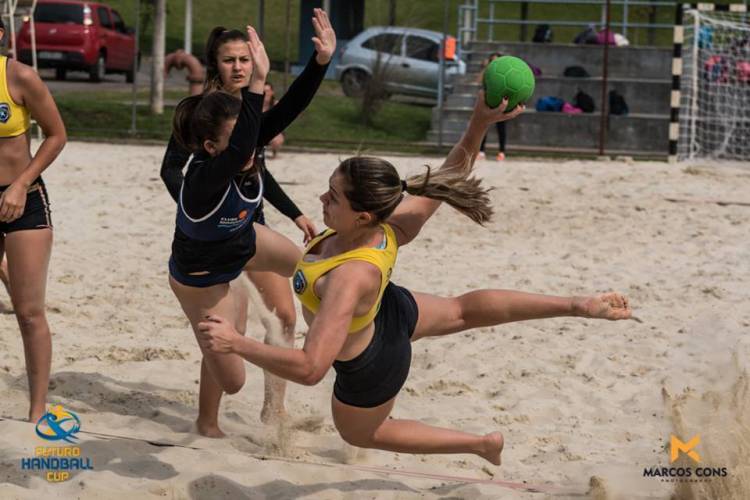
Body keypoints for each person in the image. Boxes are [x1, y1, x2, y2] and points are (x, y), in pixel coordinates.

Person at [195, 93, 633, 464]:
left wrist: (238, 343)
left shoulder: (346, 280)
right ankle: (575, 305)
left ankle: (480, 444)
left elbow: (311, 369)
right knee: (461, 311)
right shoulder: (388, 226)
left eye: (333, 196)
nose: (322, 198)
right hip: (392, 309)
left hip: (370, 365)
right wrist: (479, 121)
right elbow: (449, 176)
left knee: (363, 434)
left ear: (362, 214)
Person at [165, 11, 336, 437]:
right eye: (230, 60)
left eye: (246, 59)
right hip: (204, 249)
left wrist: (320, 62)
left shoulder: (247, 124)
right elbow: (177, 170)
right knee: (230, 345)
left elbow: (275, 127)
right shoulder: (206, 121)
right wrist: (196, 208)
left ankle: (275, 409)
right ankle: (208, 420)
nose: (240, 66)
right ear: (215, 65)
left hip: (244, 228)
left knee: (297, 294)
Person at [0, 18, 67, 421]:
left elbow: (57, 135)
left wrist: (21, 184)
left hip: (22, 199)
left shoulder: (20, 76)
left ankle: (37, 408)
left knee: (27, 311)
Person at [478, 52, 507, 161]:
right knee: (484, 127)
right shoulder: (487, 73)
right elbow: (478, 81)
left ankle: (501, 152)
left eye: (497, 60)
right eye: (492, 61)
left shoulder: (504, 73)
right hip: (488, 102)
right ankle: (481, 151)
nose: (494, 62)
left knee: (501, 128)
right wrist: (486, 68)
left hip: (500, 103)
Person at [262, 82, 285, 158]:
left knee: (276, 139)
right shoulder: (255, 105)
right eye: (263, 91)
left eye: (267, 91)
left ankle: (274, 153)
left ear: (272, 92)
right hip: (257, 129)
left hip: (272, 130)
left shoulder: (276, 104)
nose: (265, 93)